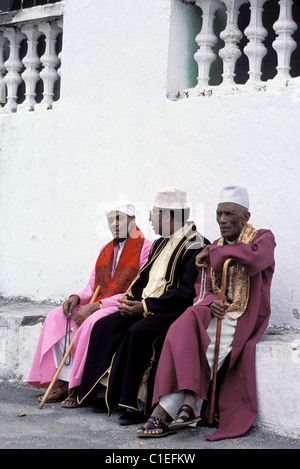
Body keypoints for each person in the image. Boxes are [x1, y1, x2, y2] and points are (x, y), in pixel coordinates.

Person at [137, 186, 276, 441]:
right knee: (180, 329)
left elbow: (254, 259)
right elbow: (205, 289)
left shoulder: (263, 238)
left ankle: (172, 408)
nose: (222, 220)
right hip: (220, 313)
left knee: (206, 346)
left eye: (229, 214)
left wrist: (213, 252)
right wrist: (212, 302)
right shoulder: (216, 246)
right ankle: (184, 406)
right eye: (219, 214)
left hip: (246, 316)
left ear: (246, 217)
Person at [77, 187, 210, 424]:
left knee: (139, 332)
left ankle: (136, 405)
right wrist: (131, 300)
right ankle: (103, 394)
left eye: (154, 214)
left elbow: (185, 293)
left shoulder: (196, 244)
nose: (149, 219)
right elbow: (144, 279)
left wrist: (144, 307)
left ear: (169, 216)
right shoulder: (160, 243)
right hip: (146, 305)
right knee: (105, 325)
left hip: (171, 311)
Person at [28, 204, 152, 407]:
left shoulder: (146, 247)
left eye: (119, 218)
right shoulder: (106, 250)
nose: (115, 224)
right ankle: (61, 382)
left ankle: (76, 387)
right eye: (111, 220)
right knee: (57, 316)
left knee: (90, 321)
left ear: (132, 219)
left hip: (121, 304)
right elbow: (91, 287)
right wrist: (76, 298)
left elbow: (138, 289)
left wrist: (97, 306)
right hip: (101, 302)